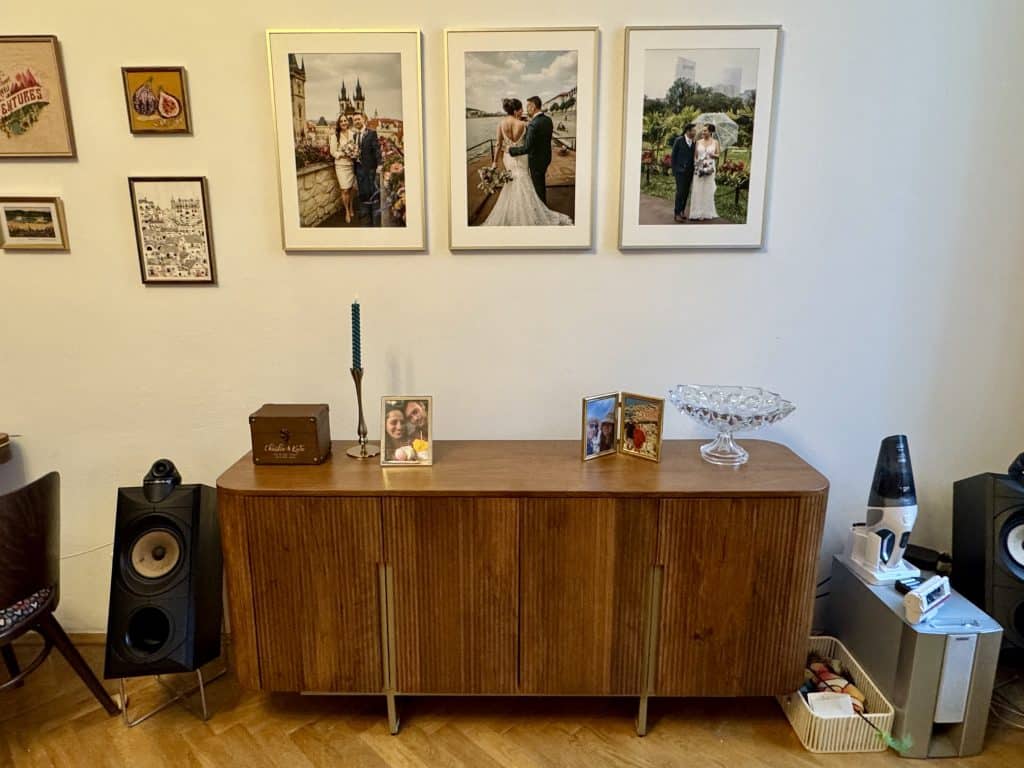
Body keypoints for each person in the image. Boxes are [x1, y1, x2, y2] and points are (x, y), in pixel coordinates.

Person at [482, 97, 572, 227]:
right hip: (523, 158)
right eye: (521, 109)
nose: (523, 111)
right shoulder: (524, 125)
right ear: (516, 111)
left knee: (511, 182)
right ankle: (532, 209)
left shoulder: (500, 124)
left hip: (508, 158)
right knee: (524, 180)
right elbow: (528, 143)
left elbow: (497, 144)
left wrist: (494, 162)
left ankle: (513, 210)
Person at [508, 96, 553, 204]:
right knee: (541, 183)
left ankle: (542, 209)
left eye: (528, 106)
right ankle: (543, 204)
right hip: (546, 157)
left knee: (538, 186)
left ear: (533, 107)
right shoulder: (548, 120)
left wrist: (511, 150)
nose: (526, 109)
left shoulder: (533, 124)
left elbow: (527, 148)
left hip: (536, 161)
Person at [352, 113, 382, 226]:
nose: (357, 121)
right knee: (363, 193)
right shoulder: (355, 136)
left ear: (363, 119)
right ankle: (366, 217)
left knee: (372, 193)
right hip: (359, 169)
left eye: (358, 119)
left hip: (370, 169)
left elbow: (377, 149)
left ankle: (375, 218)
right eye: (355, 120)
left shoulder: (371, 133)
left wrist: (379, 164)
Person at [329, 115, 357, 223]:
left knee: (351, 189)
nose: (344, 122)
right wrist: (342, 153)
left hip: (350, 165)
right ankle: (346, 211)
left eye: (345, 120)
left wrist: (353, 153)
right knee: (344, 189)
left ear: (348, 122)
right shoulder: (335, 136)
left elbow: (356, 147)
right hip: (340, 165)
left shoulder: (352, 134)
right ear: (339, 123)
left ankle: (351, 207)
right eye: (341, 121)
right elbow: (332, 152)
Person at [688, 124, 720, 221]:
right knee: (698, 189)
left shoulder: (715, 142)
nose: (703, 132)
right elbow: (695, 156)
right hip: (699, 168)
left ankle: (706, 212)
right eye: (703, 131)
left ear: (710, 132)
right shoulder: (698, 142)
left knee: (707, 189)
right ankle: (696, 212)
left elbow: (718, 155)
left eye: (705, 130)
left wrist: (713, 154)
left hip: (710, 168)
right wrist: (696, 165)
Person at [670, 123, 697, 222]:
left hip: (690, 172)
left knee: (686, 192)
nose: (695, 132)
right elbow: (673, 156)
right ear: (688, 131)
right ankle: (676, 213)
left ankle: (682, 211)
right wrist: (674, 170)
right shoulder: (679, 140)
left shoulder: (694, 143)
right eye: (693, 130)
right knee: (680, 192)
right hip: (679, 172)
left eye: (695, 131)